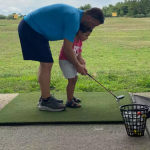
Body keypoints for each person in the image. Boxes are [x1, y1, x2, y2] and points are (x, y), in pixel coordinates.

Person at [18, 3, 104, 112]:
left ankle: (45, 97)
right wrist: (78, 66)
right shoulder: (74, 19)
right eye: (93, 25)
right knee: (46, 63)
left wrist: (79, 60)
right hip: (31, 28)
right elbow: (67, 49)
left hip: (35, 29)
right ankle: (46, 101)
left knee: (46, 63)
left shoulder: (76, 16)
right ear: (89, 17)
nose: (91, 28)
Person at [59, 25, 92, 108]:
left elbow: (79, 56)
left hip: (73, 62)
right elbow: (68, 53)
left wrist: (82, 64)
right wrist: (78, 64)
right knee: (71, 80)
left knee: (75, 78)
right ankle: (69, 101)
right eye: (86, 35)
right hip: (65, 61)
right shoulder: (71, 40)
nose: (87, 38)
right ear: (80, 32)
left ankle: (71, 96)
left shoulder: (80, 42)